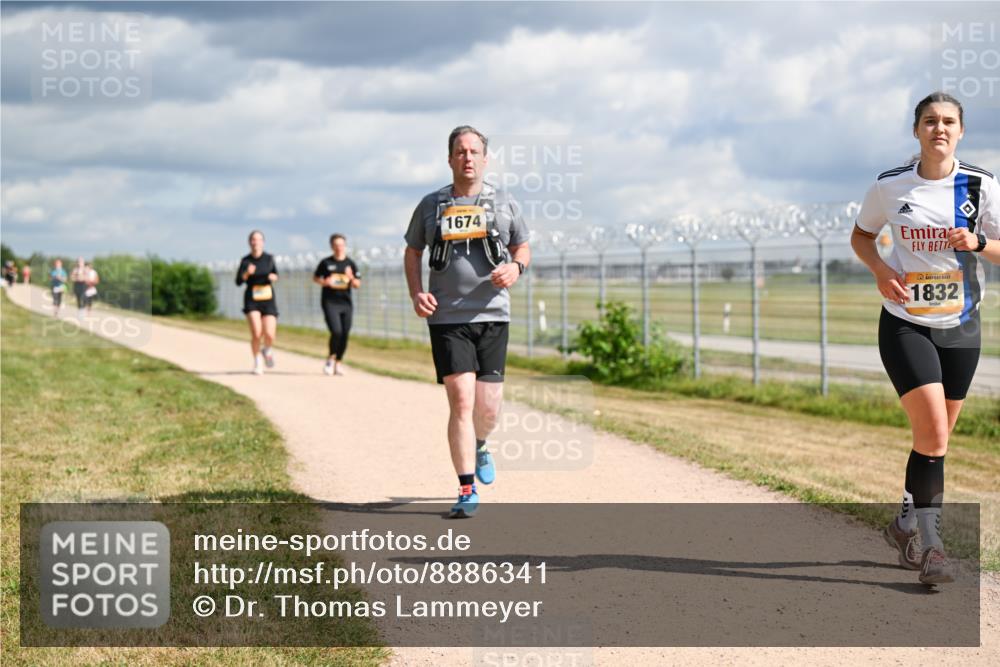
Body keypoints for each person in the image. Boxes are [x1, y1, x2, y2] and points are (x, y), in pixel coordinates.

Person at [851, 92, 999, 585]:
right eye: (930, 121)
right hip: (905, 321)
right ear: (916, 131)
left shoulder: (980, 185)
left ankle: (904, 522)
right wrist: (878, 269)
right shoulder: (889, 186)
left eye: (949, 122)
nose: (940, 128)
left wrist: (978, 242)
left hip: (962, 326)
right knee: (933, 435)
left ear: (961, 132)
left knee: (936, 441)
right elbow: (861, 236)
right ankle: (931, 548)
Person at [404, 125, 531, 518]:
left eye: (474, 151)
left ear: (485, 158)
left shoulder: (504, 203)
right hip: (447, 318)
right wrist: (416, 293)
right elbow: (412, 251)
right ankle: (465, 488)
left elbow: (522, 246)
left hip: (493, 314)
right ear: (449, 159)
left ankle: (480, 444)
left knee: (488, 408)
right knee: (461, 400)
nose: (468, 158)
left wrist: (516, 268)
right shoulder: (431, 205)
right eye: (460, 152)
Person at [313, 233, 361, 376]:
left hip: (345, 303)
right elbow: (315, 277)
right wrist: (324, 282)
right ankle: (330, 358)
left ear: (345, 246)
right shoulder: (326, 263)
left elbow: (357, 284)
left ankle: (338, 363)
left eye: (341, 245)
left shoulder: (350, 264)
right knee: (336, 331)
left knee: (345, 333)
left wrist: (351, 277)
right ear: (332, 246)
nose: (339, 247)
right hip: (330, 302)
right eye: (336, 245)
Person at [235, 230, 279, 375]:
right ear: (250, 242)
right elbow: (238, 281)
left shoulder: (269, 259)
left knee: (270, 333)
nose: (256, 242)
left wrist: (274, 277)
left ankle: (267, 349)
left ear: (263, 242)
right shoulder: (246, 261)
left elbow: (276, 274)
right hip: (252, 298)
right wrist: (247, 273)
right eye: (253, 239)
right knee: (256, 332)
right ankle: (257, 361)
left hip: (267, 298)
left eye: (259, 239)